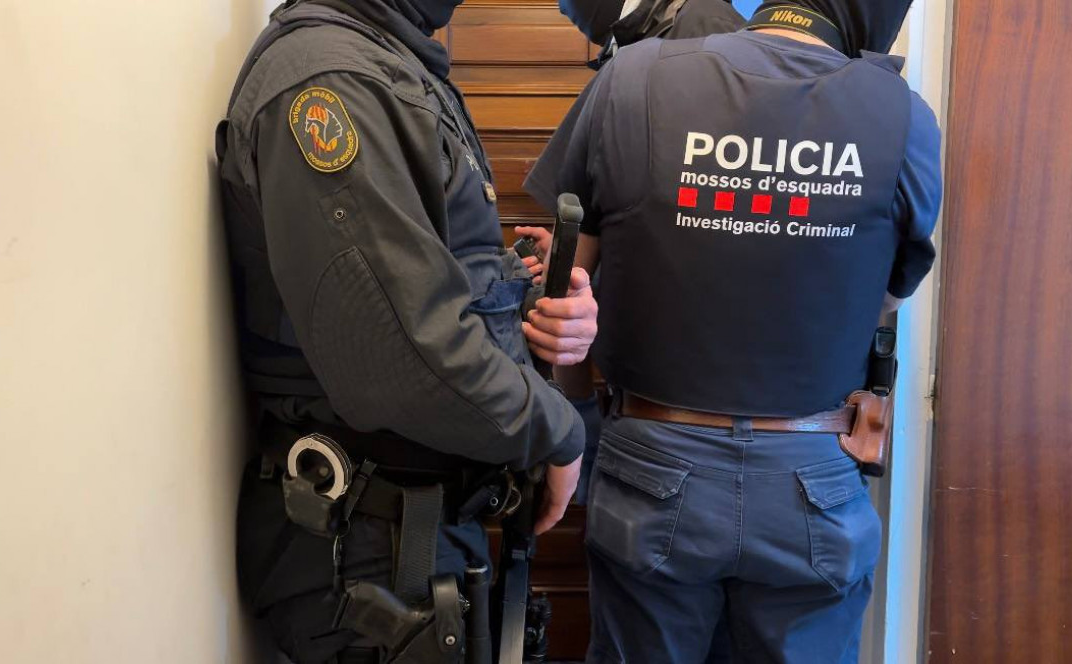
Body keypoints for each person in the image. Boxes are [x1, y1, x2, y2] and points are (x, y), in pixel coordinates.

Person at [527, 0, 942, 661]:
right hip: (812, 476)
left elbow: (566, 279)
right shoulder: (903, 114)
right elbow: (883, 298)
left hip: (651, 463)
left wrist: (572, 425)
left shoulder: (633, 77)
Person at [215, 0, 597, 661]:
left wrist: (533, 303)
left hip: (413, 530)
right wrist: (558, 431)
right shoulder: (333, 80)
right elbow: (401, 356)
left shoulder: (390, 62)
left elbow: (430, 283)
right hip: (375, 548)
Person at [519, 0, 746, 506]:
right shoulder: (639, 43)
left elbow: (694, 223)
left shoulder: (701, 29)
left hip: (679, 412)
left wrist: (578, 415)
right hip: (655, 400)